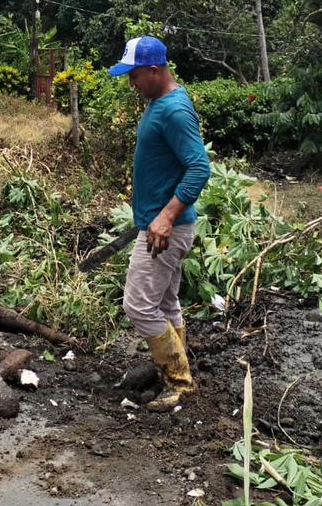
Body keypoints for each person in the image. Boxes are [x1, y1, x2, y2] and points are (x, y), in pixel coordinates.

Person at [108, 36, 210, 411]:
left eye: (134, 75)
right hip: (161, 226)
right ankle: (178, 370)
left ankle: (179, 381)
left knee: (138, 305)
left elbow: (199, 167)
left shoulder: (174, 111)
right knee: (165, 302)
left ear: (154, 70)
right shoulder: (159, 102)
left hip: (165, 230)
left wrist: (165, 216)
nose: (130, 83)